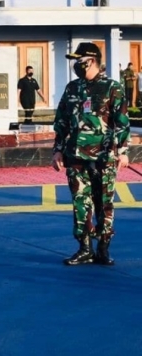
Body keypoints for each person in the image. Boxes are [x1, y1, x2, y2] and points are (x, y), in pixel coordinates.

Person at [52, 42, 129, 267]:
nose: (76, 64)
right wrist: (57, 150)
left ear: (92, 60)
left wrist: (123, 151)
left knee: (104, 202)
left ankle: (103, 248)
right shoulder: (72, 88)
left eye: (80, 60)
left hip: (103, 157)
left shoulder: (112, 88)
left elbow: (122, 122)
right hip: (75, 157)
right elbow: (62, 121)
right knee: (80, 202)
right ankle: (84, 248)